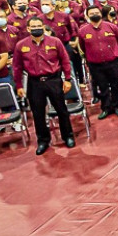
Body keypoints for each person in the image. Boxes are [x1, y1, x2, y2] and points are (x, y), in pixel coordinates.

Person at [12, 16, 75, 155]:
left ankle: (68, 136)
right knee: (38, 113)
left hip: (54, 80)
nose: (36, 29)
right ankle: (43, 141)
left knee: (61, 110)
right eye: (32, 27)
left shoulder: (55, 41)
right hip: (34, 82)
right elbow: (16, 67)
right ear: (28, 29)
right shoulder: (21, 45)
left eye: (38, 26)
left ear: (43, 26)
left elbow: (65, 61)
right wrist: (18, 85)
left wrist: (68, 79)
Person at [77, 5, 118, 119]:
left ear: (100, 13)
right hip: (95, 64)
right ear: (87, 16)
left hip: (112, 62)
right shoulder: (83, 30)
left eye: (96, 12)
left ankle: (117, 106)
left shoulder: (111, 27)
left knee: (115, 86)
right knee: (102, 87)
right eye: (91, 13)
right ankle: (106, 108)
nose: (94, 14)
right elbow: (82, 46)